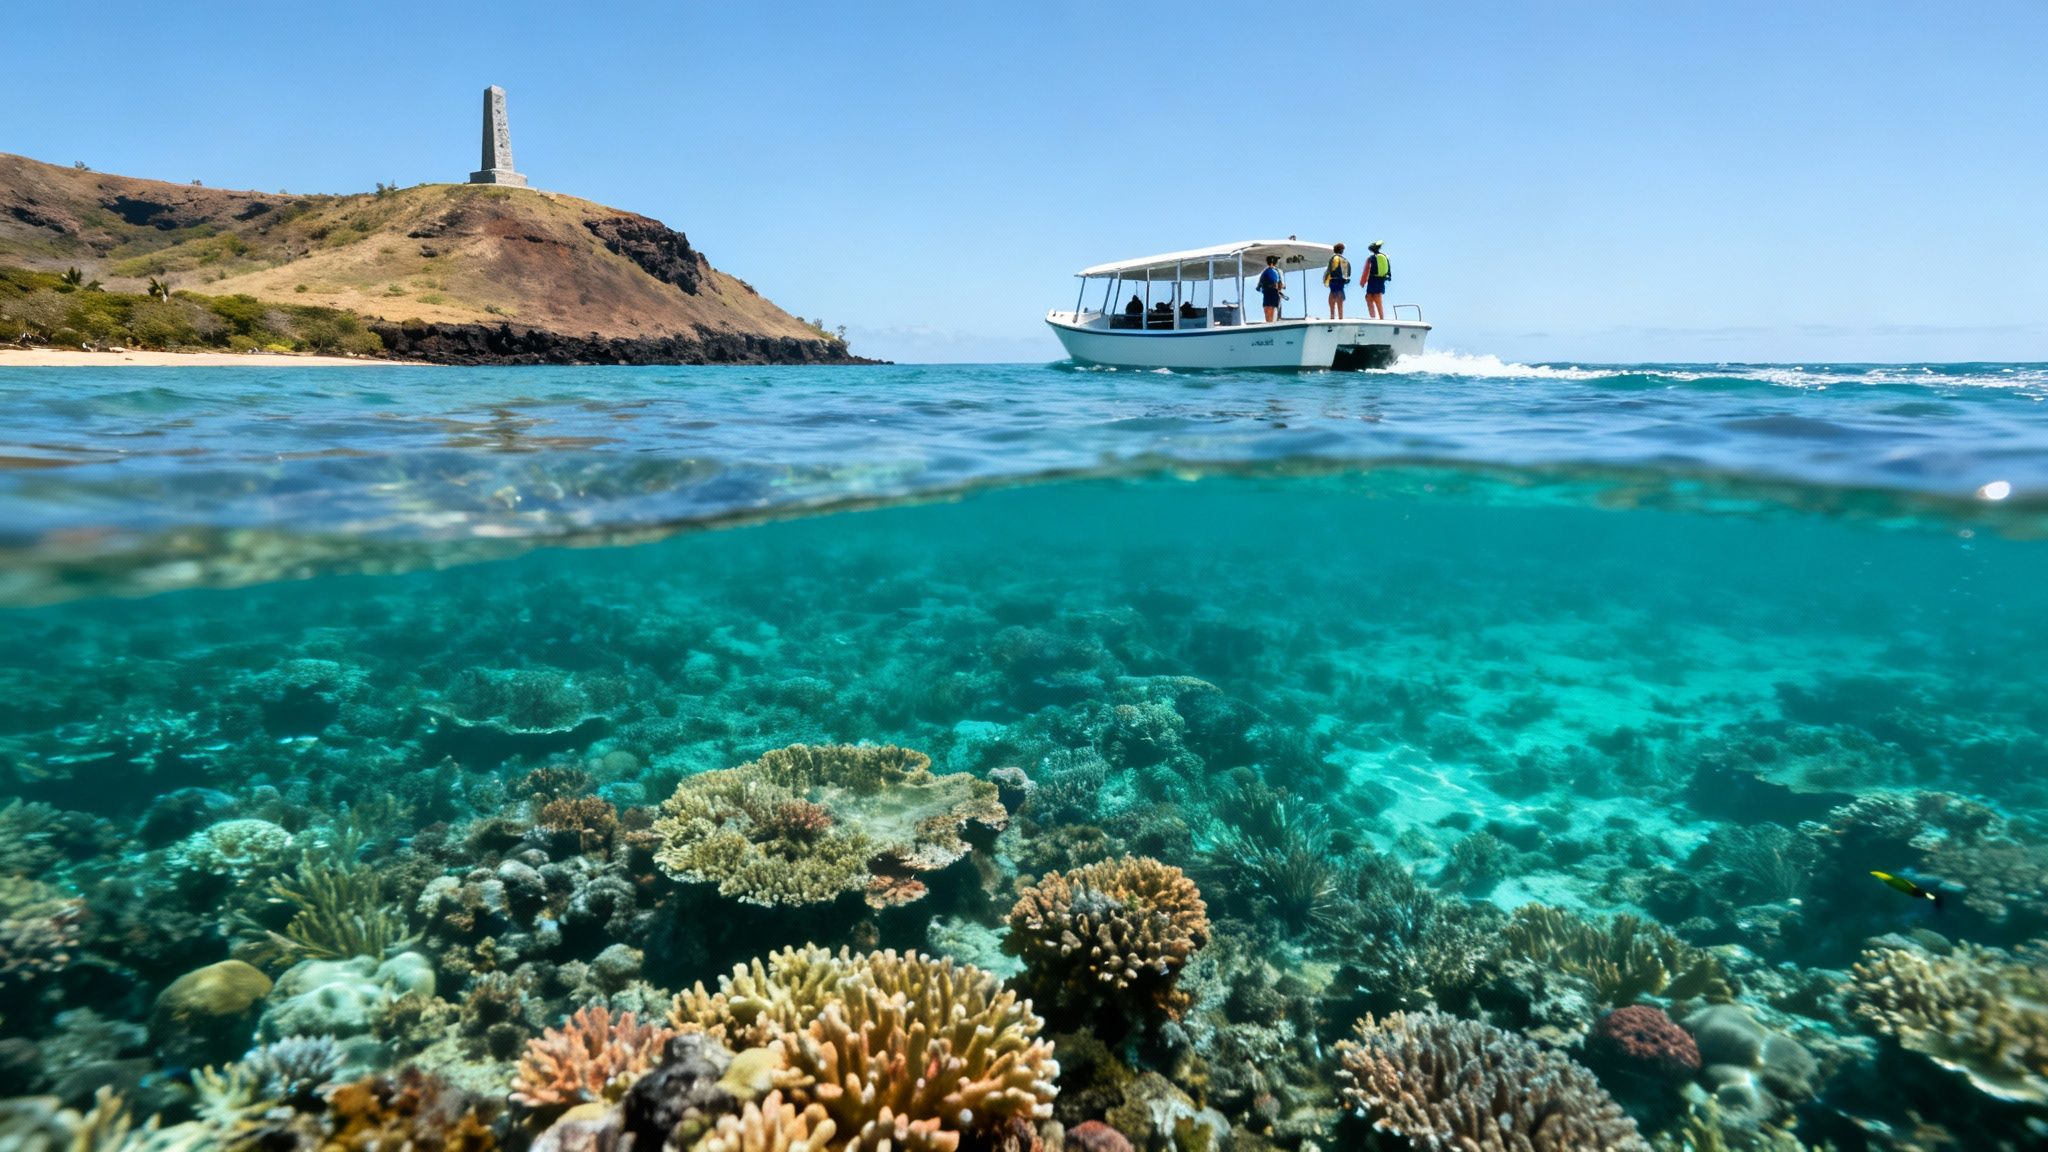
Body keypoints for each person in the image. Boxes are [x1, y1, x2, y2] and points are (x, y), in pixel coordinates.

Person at [1361, 241, 1391, 320]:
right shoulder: (1385, 256)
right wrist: (1388, 277)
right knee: (1378, 297)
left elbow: (1366, 271)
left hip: (1372, 280)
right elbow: (1388, 270)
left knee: (1369, 297)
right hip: (1381, 280)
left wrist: (1363, 282)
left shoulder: (1370, 258)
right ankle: (1381, 318)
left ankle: (1373, 317)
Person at [1323, 243, 1351, 319]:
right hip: (1341, 283)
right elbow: (1348, 273)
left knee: (1332, 299)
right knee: (1340, 301)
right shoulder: (1345, 260)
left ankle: (1332, 317)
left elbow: (1329, 270)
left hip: (1334, 281)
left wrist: (1325, 280)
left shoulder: (1334, 258)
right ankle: (1341, 318)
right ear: (1342, 251)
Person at [1257, 255, 1286, 322]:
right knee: (1271, 312)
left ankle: (1270, 325)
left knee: (1268, 312)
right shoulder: (1278, 272)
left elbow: (1258, 287)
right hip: (1273, 294)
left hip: (1268, 294)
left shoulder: (1264, 272)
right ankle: (1272, 325)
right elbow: (1282, 285)